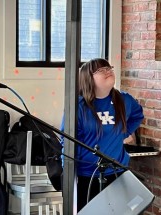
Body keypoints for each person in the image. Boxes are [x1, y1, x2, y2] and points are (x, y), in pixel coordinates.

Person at [61, 58, 144, 211]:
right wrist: (66, 176)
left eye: (109, 67)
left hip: (118, 172)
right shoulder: (78, 106)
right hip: (87, 175)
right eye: (101, 70)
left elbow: (137, 115)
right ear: (88, 78)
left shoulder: (124, 100)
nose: (108, 71)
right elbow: (66, 143)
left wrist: (123, 133)